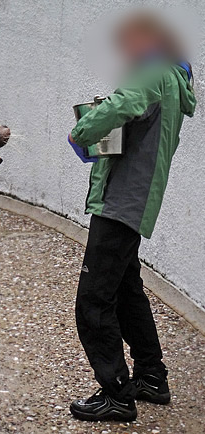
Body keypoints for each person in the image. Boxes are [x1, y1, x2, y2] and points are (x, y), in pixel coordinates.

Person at [67, 11, 196, 422]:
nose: (125, 50)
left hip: (121, 202)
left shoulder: (153, 71)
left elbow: (124, 104)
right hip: (136, 201)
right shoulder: (172, 78)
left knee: (92, 300)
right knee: (126, 289)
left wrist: (82, 131)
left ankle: (117, 394)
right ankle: (151, 376)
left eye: (130, 41)